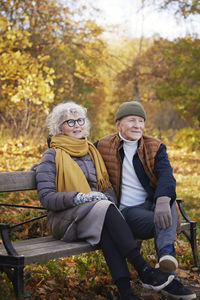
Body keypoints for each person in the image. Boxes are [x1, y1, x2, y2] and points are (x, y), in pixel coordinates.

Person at [35, 101, 175, 300]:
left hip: (95, 214)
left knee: (106, 223)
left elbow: (106, 187)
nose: (77, 125)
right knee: (105, 209)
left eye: (80, 120)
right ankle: (144, 269)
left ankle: (125, 291)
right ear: (59, 128)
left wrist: (103, 199)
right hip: (65, 220)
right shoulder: (52, 155)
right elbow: (47, 198)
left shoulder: (92, 151)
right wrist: (80, 198)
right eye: (70, 122)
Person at [95, 101, 196, 300]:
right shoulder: (103, 145)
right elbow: (80, 157)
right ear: (118, 124)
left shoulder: (154, 146)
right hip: (125, 214)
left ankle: (166, 261)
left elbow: (166, 175)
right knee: (167, 216)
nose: (137, 125)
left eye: (141, 121)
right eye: (131, 120)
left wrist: (161, 201)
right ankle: (170, 277)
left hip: (151, 207)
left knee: (167, 205)